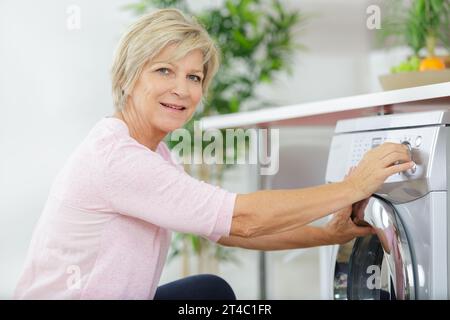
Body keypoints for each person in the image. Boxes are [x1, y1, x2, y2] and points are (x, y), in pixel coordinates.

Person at [14, 8, 414, 300]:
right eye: (163, 71)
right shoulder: (118, 159)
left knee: (209, 292)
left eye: (194, 77)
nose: (182, 90)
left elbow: (223, 228)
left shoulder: (152, 152)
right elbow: (243, 220)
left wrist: (327, 235)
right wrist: (352, 186)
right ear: (127, 77)